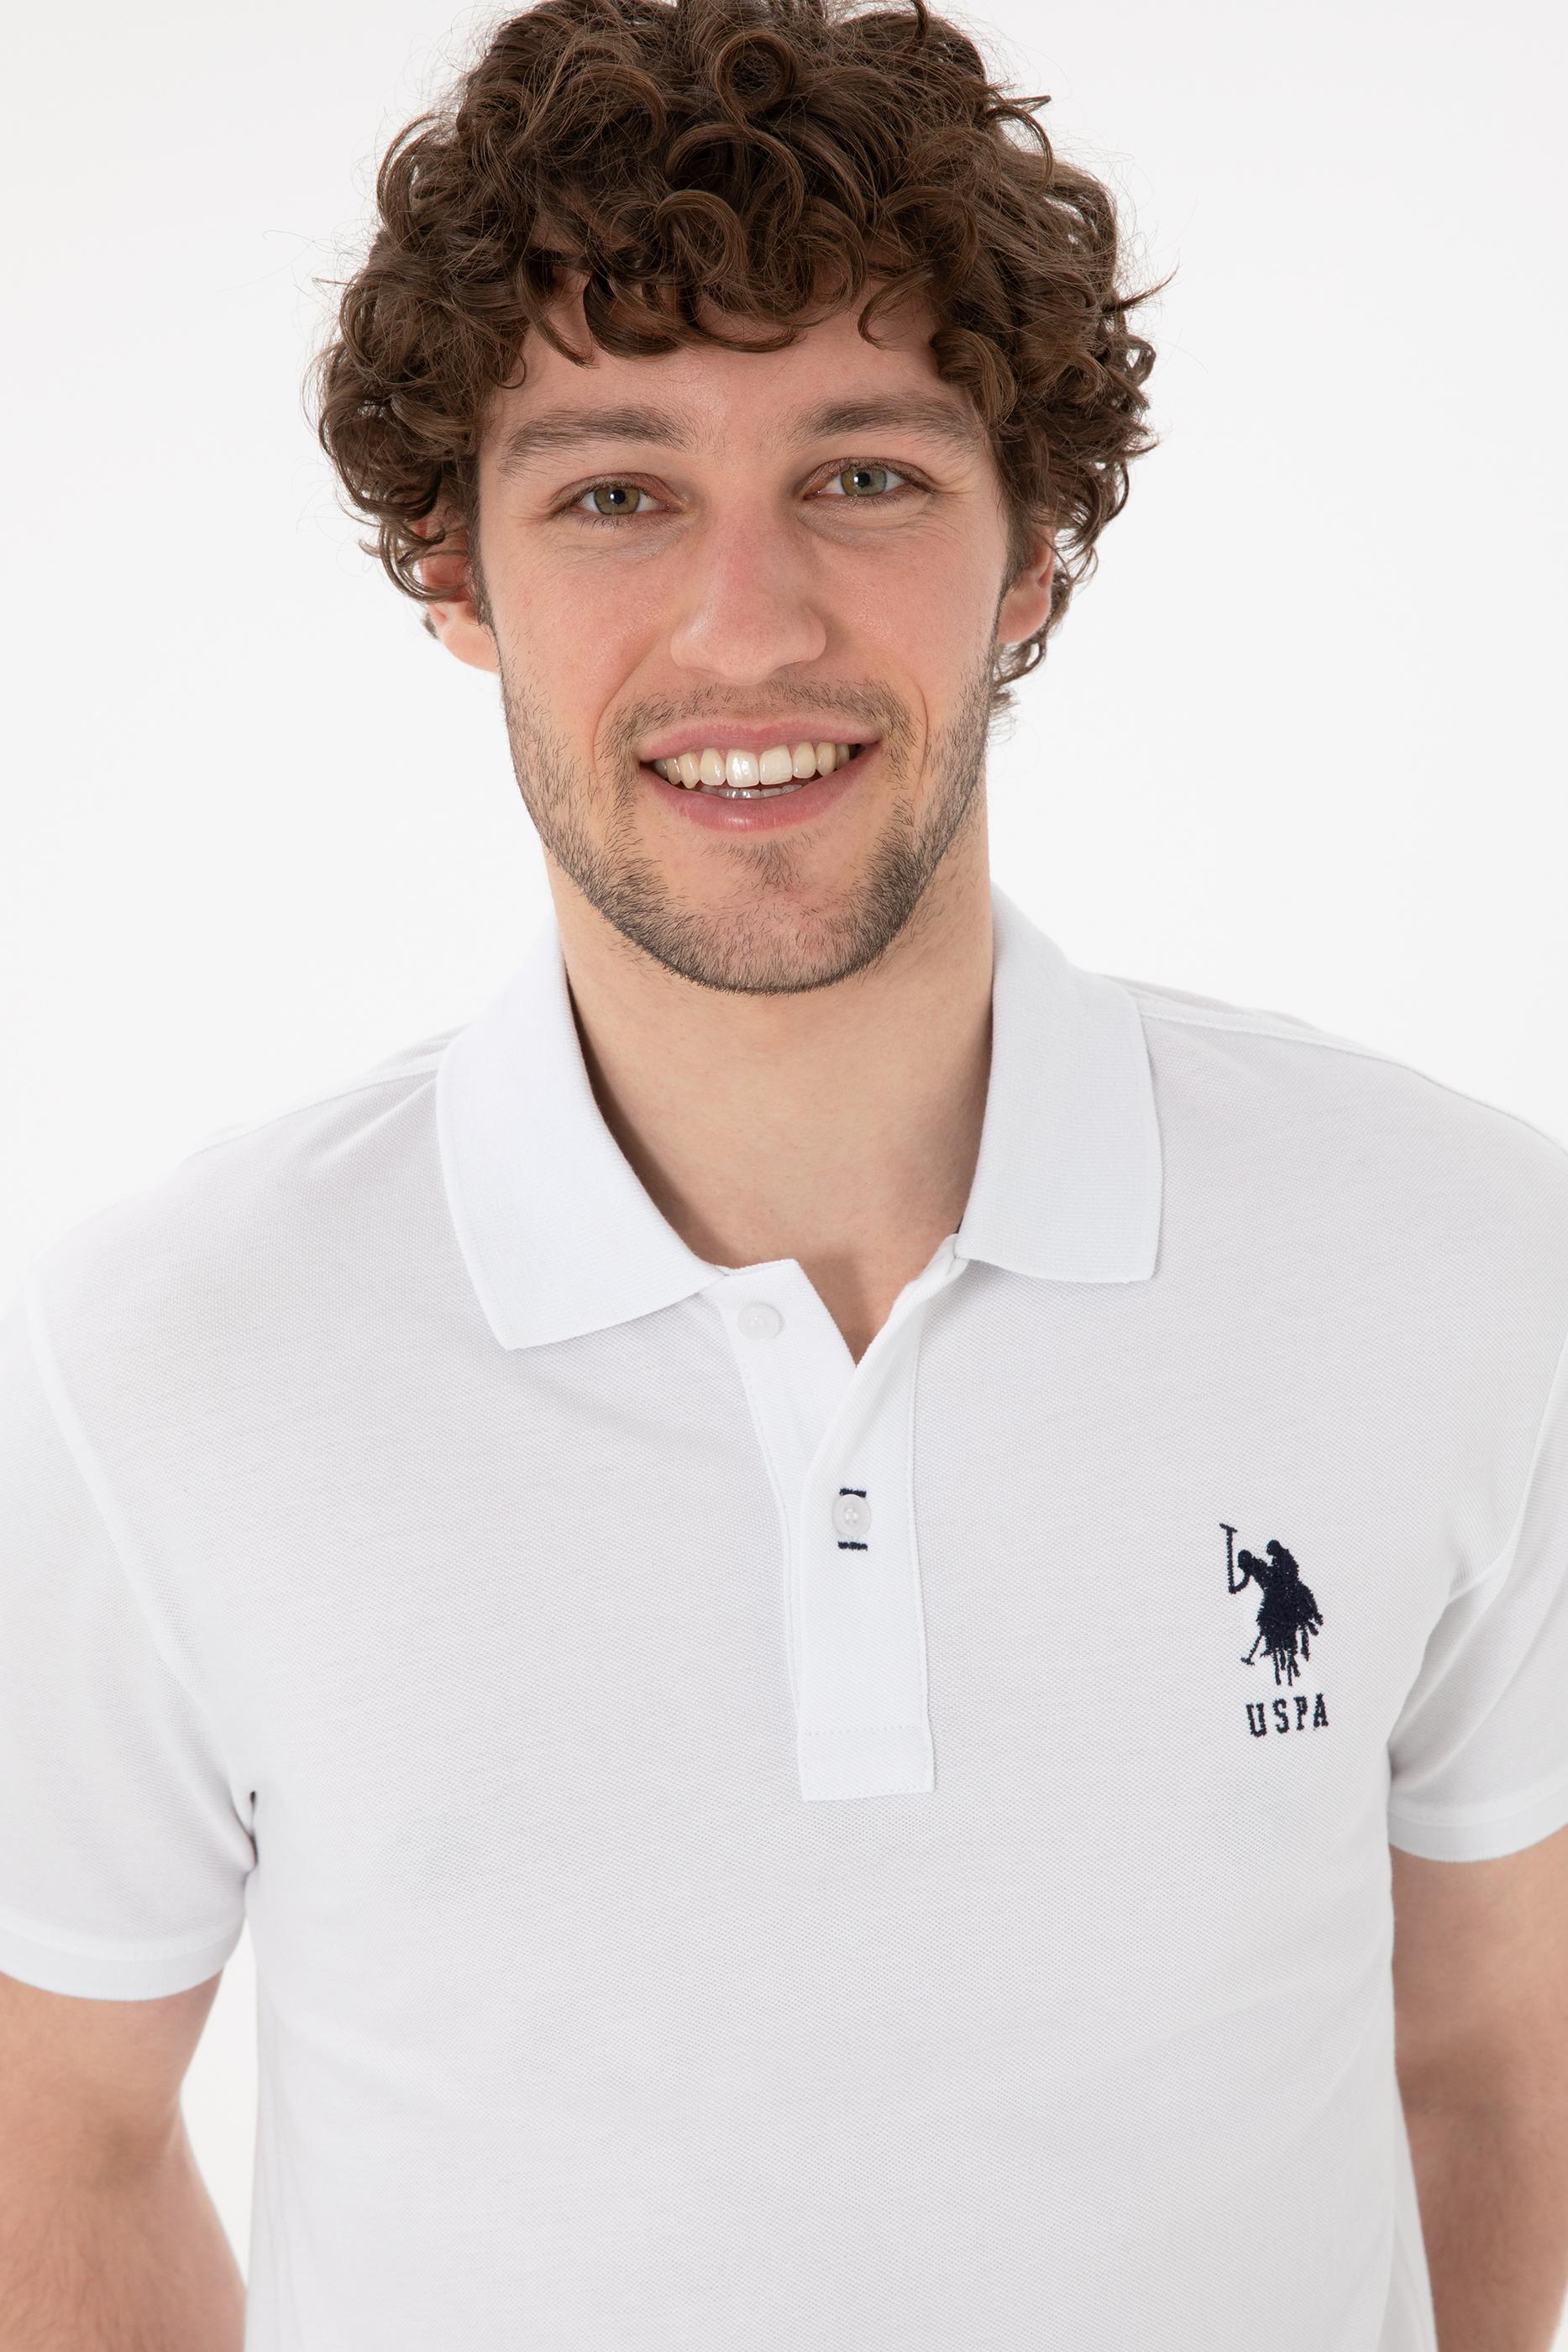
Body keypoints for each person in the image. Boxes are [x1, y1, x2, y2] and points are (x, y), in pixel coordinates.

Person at [3, 0, 1566, 2344]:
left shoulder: (1454, 1260)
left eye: (864, 477)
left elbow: (1485, 2069)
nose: (748, 625)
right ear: (452, 570)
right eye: (613, 494)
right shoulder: (164, 1357)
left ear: (1032, 555)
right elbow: (57, 2138)